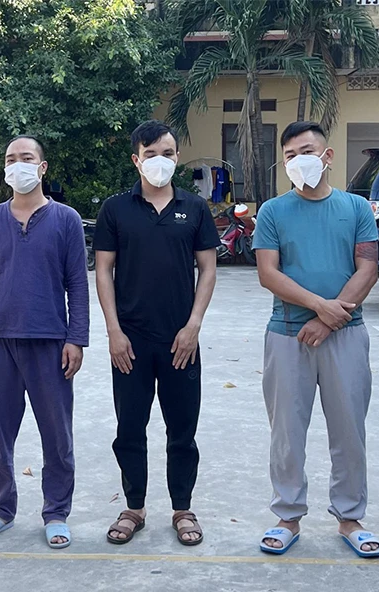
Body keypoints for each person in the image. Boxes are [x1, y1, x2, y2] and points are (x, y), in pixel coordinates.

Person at [253, 121, 379, 557]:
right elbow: (268, 272)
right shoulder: (273, 211)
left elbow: (367, 269)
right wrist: (317, 306)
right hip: (287, 335)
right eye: (290, 155)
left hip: (346, 333)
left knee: (349, 429)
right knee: (287, 432)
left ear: (327, 156)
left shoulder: (356, 208)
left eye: (306, 151)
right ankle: (287, 516)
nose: (299, 160)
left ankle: (350, 517)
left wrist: (328, 320)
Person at [94, 120, 219, 546]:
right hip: (130, 341)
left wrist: (193, 325)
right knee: (130, 428)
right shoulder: (116, 209)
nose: (159, 161)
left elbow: (207, 269)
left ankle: (183, 508)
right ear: (136, 160)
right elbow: (104, 271)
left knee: (182, 430)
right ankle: (134, 507)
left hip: (181, 340)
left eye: (167, 153)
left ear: (177, 157)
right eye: (150, 155)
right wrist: (113, 331)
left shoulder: (194, 208)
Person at [0, 136, 88, 549]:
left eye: (27, 158)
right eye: (11, 159)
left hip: (50, 341)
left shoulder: (66, 219)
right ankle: (1, 509)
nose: (18, 165)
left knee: (57, 435)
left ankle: (56, 512)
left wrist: (76, 338)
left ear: (42, 167)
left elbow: (77, 284)